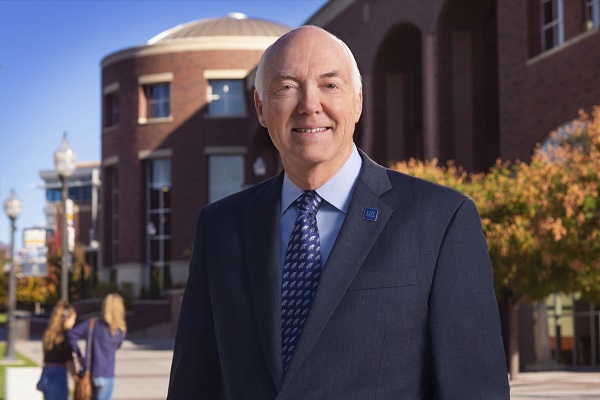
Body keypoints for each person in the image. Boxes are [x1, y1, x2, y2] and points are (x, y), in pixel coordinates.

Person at [168, 26, 510, 399]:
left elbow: (475, 389)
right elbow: (194, 385)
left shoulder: (442, 220)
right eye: (286, 87)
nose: (309, 104)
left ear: (358, 101)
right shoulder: (219, 228)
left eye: (330, 85)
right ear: (261, 108)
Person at [68, 293, 127, 400]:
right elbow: (117, 346)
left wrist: (79, 355)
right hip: (107, 374)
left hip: (91, 372)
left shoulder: (93, 324)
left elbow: (71, 335)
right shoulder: (119, 330)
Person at [37, 300, 77, 400]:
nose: (74, 322)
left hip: (46, 373)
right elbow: (69, 359)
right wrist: (75, 376)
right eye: (73, 319)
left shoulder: (49, 334)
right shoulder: (64, 337)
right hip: (58, 376)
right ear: (65, 319)